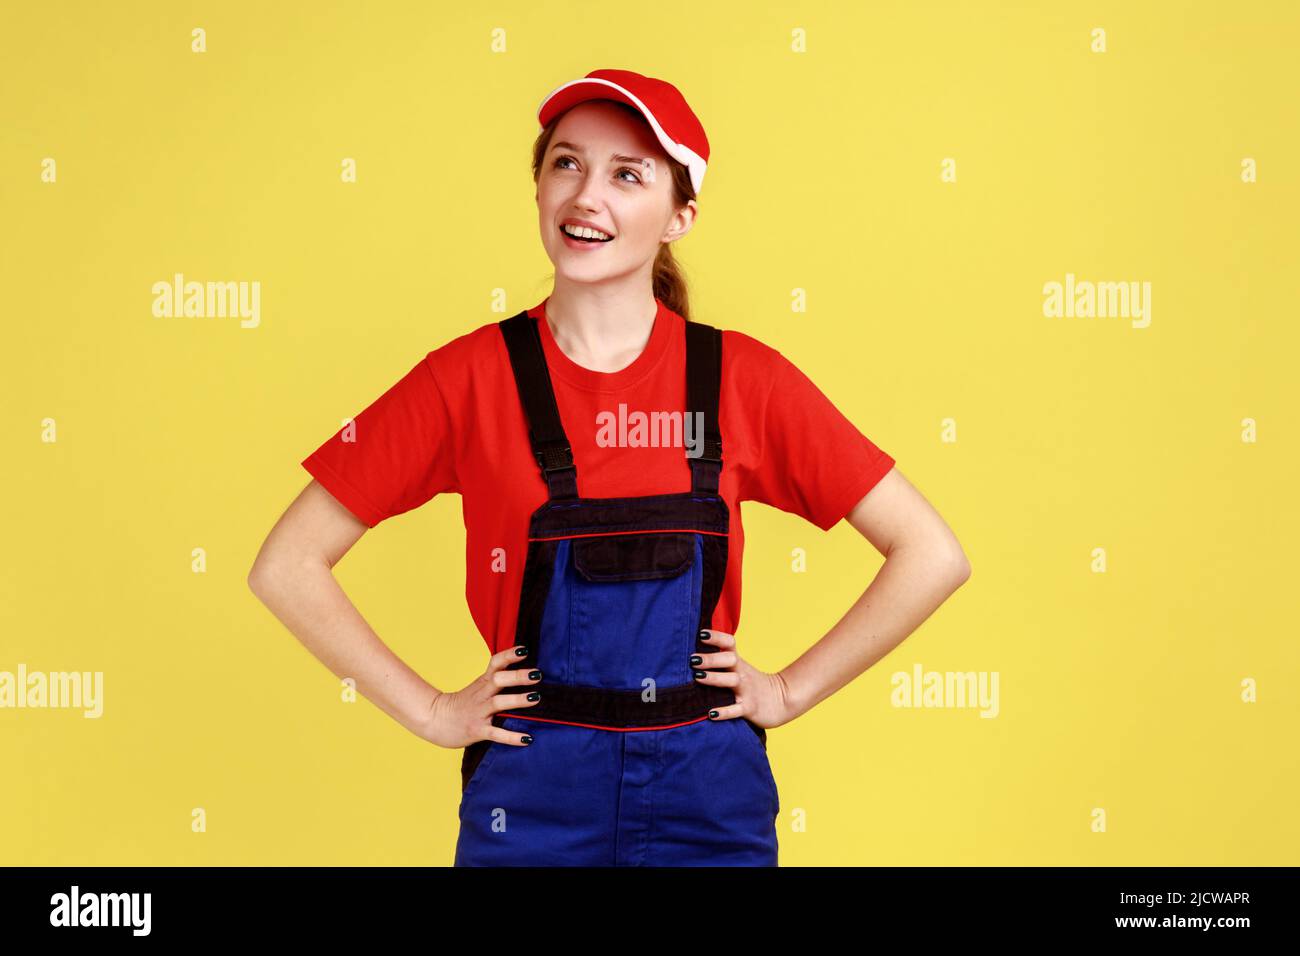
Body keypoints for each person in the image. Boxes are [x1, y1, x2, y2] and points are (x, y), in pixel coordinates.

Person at [248, 69, 971, 866]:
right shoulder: (464, 379)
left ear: (679, 215)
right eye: (566, 163)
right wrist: (428, 710)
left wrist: (789, 691)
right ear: (537, 187)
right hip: (530, 802)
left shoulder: (744, 380)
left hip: (708, 802)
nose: (587, 196)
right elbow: (287, 564)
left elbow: (933, 555)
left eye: (628, 174)